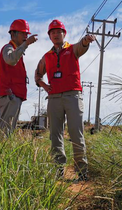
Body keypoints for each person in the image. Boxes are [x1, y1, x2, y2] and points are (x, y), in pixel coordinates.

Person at [35, 19, 96, 181]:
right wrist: (44, 85)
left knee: (77, 133)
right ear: (49, 36)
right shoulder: (46, 57)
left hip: (73, 96)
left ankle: (82, 171)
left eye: (58, 32)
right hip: (54, 99)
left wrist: (86, 40)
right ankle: (58, 169)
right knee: (55, 135)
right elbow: (37, 75)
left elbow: (81, 46)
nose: (56, 34)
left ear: (64, 34)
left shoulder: (72, 49)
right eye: (52, 32)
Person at [0, 19, 38, 135]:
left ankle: (4, 151)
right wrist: (26, 44)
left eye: (26, 34)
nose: (25, 36)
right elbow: (10, 60)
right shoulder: (8, 48)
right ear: (13, 34)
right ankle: (0, 152)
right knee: (5, 131)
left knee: (9, 130)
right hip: (10, 95)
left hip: (14, 96)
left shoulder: (16, 50)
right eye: (23, 33)